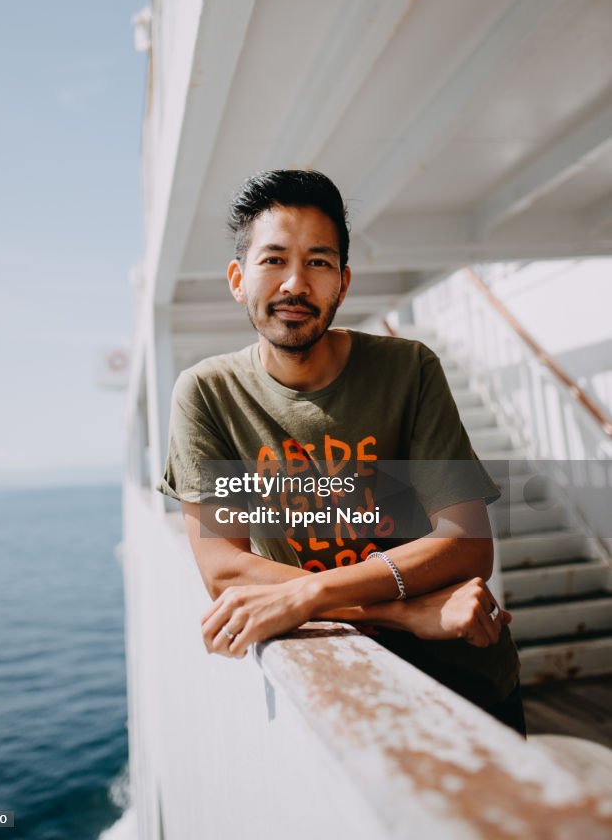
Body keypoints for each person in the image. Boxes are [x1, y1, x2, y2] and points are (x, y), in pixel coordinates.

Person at [160, 169, 525, 734]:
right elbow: (227, 574)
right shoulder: (208, 393)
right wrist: (403, 611)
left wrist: (308, 594)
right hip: (344, 703)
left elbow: (467, 546)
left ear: (343, 282)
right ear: (238, 278)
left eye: (319, 263)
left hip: (467, 683)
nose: (294, 284)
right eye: (273, 259)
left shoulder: (409, 370)